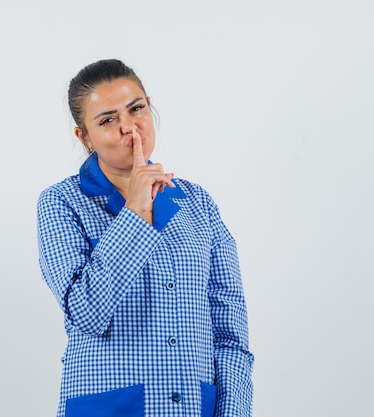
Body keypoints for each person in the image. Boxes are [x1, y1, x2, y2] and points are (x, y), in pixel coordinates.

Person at [37, 59, 254, 417]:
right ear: (85, 137)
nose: (129, 127)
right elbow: (87, 312)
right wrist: (136, 210)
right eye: (107, 120)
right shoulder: (61, 203)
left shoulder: (196, 202)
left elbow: (230, 334)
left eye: (137, 109)